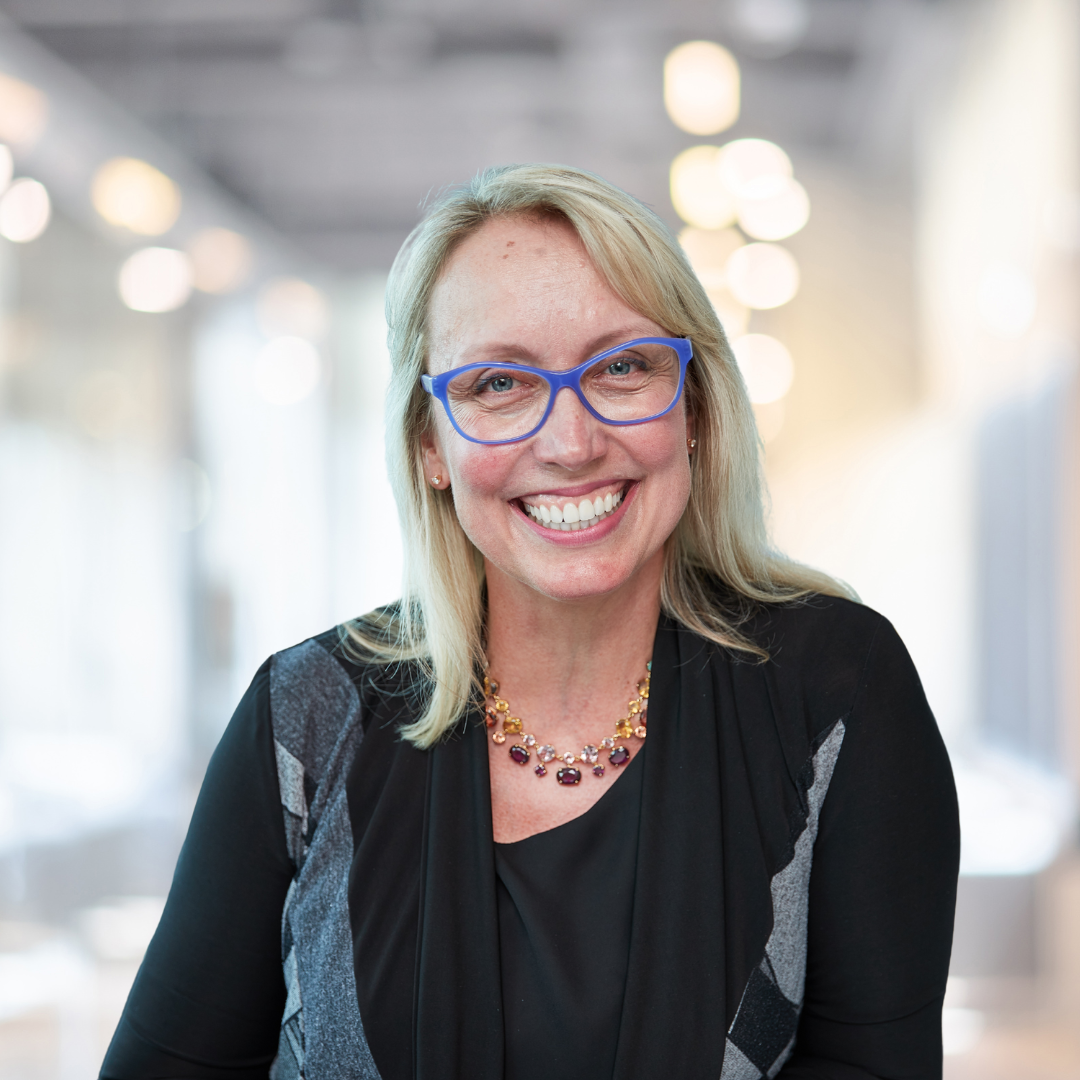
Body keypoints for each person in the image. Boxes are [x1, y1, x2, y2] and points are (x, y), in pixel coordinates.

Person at [100, 164, 959, 1080]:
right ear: (430, 444)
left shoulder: (836, 685)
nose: (570, 442)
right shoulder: (308, 714)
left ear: (696, 407)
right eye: (500, 384)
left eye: (624, 368)